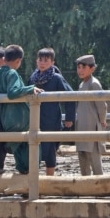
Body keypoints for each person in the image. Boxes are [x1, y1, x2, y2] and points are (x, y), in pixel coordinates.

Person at [0, 44, 43, 174]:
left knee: (18, 150)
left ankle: (23, 180)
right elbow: (12, 92)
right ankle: (31, 185)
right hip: (20, 118)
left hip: (6, 119)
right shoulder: (12, 73)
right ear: (18, 60)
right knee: (31, 149)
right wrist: (29, 88)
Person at [29, 48, 75, 176]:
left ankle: (50, 178)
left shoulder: (56, 78)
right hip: (34, 119)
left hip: (51, 119)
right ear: (36, 61)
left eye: (46, 60)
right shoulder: (33, 78)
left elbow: (70, 96)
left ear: (52, 62)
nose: (42, 63)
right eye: (40, 60)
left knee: (50, 150)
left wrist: (69, 118)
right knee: (33, 148)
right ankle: (34, 179)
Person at [74, 54, 107, 176]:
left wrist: (102, 120)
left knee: (94, 160)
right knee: (83, 158)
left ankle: (100, 187)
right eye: (79, 67)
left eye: (84, 67)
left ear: (92, 69)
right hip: (82, 126)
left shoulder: (94, 84)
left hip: (92, 126)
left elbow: (102, 105)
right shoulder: (82, 85)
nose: (80, 70)